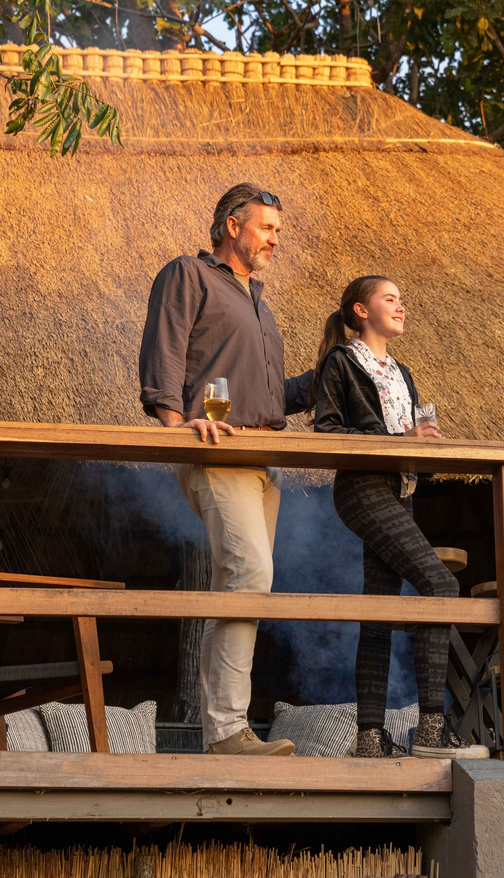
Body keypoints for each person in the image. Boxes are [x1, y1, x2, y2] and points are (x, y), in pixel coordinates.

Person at [138, 182, 313, 757]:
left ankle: (221, 732)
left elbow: (266, 394)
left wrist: (332, 373)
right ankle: (231, 729)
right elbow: (164, 345)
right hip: (219, 453)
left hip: (264, 460)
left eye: (278, 231)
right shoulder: (188, 275)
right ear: (232, 225)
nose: (275, 239)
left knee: (234, 587)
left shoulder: (256, 300)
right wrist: (172, 423)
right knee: (251, 576)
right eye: (268, 227)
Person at [313, 276, 486, 760]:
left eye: (402, 300)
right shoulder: (341, 361)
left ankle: (369, 736)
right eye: (390, 299)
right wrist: (399, 440)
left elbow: (404, 436)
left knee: (380, 609)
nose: (401, 306)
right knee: (442, 585)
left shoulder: (402, 372)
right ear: (360, 310)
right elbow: (327, 430)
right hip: (363, 488)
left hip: (401, 489)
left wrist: (419, 443)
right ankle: (431, 727)